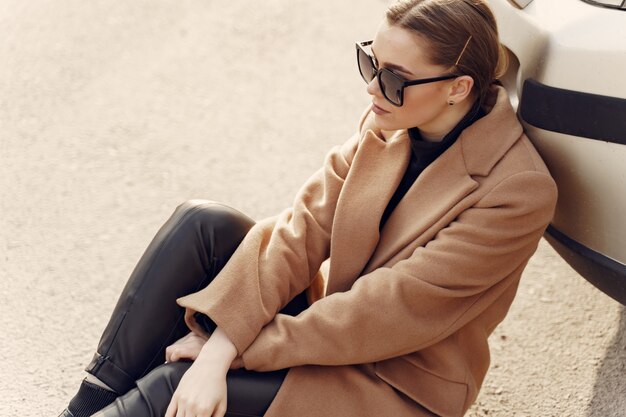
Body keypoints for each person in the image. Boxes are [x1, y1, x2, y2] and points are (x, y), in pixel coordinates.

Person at [58, 0, 557, 416]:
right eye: (370, 63)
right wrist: (225, 340)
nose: (372, 88)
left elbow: (385, 310)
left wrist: (225, 352)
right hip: (328, 336)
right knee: (205, 224)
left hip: (396, 385)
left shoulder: (516, 191)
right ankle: (86, 406)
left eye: (395, 78)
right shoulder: (388, 120)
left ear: (458, 87)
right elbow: (301, 230)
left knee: (178, 384)